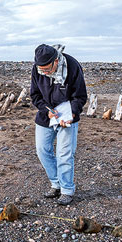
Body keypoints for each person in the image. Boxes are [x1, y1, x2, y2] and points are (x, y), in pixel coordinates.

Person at [30, 44, 87, 205]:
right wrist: (46, 110)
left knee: (64, 154)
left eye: (48, 69)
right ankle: (56, 183)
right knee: (42, 150)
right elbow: (34, 95)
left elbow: (80, 96)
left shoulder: (72, 66)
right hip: (46, 114)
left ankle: (67, 190)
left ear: (56, 61)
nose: (45, 73)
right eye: (42, 70)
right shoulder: (37, 69)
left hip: (68, 114)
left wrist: (72, 114)